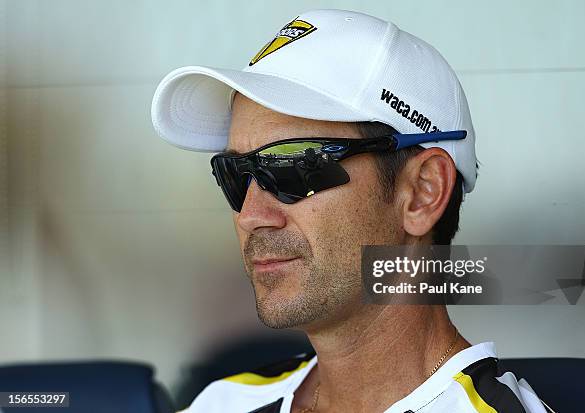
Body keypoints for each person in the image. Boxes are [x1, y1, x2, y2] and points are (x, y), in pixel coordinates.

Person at [151, 9, 553, 413]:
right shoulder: (225, 402)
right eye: (234, 174)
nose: (250, 214)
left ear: (421, 193)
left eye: (295, 166)